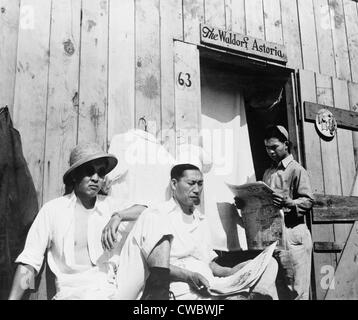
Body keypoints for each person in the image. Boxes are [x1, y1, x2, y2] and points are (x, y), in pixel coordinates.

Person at [8, 142, 172, 300]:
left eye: (100, 173)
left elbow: (147, 212)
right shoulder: (53, 210)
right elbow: (29, 263)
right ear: (74, 175)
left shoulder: (110, 206)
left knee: (155, 219)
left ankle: (159, 299)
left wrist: (118, 216)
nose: (96, 178)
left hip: (113, 290)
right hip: (73, 294)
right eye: (89, 171)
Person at [121, 163, 278, 300]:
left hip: (211, 283)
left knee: (270, 263)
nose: (197, 189)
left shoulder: (200, 219)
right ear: (174, 184)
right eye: (191, 183)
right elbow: (157, 268)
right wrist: (189, 276)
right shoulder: (158, 214)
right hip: (181, 286)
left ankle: (257, 295)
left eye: (200, 184)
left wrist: (231, 271)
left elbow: (209, 263)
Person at [236, 125, 313, 300]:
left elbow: (308, 200)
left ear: (286, 144)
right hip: (273, 237)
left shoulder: (296, 170)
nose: (270, 151)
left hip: (293, 236)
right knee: (280, 288)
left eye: (274, 147)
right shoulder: (268, 172)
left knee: (297, 290)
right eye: (267, 148)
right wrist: (245, 202)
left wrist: (289, 203)